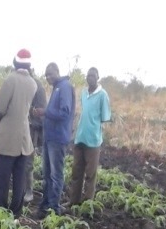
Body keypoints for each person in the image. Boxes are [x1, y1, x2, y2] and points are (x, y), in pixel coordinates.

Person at [0, 49, 37, 218]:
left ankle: (1, 213)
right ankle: (16, 214)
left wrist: (3, 118)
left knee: (2, 179)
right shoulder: (33, 84)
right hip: (24, 139)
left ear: (15, 63)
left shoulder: (10, 80)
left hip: (7, 138)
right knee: (19, 180)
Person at [34, 62, 75, 218]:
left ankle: (54, 208)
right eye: (46, 75)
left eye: (50, 74)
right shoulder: (57, 87)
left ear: (57, 72)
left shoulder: (64, 87)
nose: (48, 77)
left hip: (57, 138)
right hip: (49, 137)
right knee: (47, 173)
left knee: (55, 174)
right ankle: (45, 204)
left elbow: (64, 112)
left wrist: (45, 112)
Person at [68, 67, 112, 205]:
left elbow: (105, 117)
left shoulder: (102, 95)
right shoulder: (83, 93)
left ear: (98, 77)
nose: (90, 78)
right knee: (76, 172)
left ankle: (87, 204)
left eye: (93, 75)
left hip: (93, 140)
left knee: (90, 174)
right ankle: (73, 201)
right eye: (88, 75)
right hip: (80, 137)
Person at [24, 68, 47, 203]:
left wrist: (32, 116)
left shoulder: (38, 87)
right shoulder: (21, 84)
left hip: (32, 129)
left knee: (28, 160)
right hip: (21, 127)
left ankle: (29, 191)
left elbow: (41, 111)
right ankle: (22, 187)